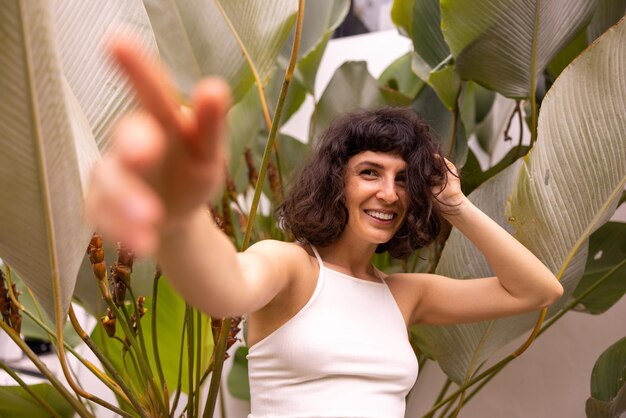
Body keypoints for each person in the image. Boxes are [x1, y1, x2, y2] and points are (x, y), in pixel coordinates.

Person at [86, 39, 564, 418]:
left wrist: (456, 205)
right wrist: (181, 216)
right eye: (370, 172)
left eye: (403, 180)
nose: (390, 193)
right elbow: (223, 290)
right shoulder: (291, 266)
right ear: (336, 181)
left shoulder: (404, 294)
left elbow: (536, 290)